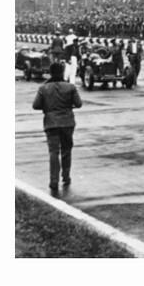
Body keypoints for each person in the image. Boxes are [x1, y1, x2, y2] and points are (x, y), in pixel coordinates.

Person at [32, 62, 82, 191]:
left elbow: (36, 105)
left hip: (51, 123)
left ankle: (54, 181)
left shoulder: (44, 88)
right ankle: (66, 177)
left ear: (50, 72)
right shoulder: (70, 87)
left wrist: (48, 107)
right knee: (66, 150)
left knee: (53, 152)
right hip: (67, 122)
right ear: (62, 72)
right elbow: (79, 104)